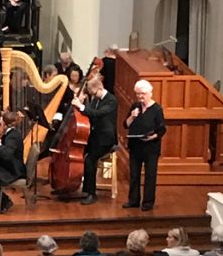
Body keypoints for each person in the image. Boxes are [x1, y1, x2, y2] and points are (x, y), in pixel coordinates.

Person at [70, 74, 117, 204]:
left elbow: (98, 113)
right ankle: (73, 185)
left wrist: (81, 106)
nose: (93, 95)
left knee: (90, 160)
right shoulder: (96, 99)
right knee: (77, 153)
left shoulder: (111, 100)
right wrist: (80, 103)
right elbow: (89, 113)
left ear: (99, 88)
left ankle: (91, 193)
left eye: (93, 93)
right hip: (94, 137)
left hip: (106, 140)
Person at [123, 79, 166, 211]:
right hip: (135, 146)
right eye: (138, 94)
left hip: (151, 147)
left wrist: (152, 137)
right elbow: (125, 125)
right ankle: (133, 200)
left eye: (142, 94)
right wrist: (132, 117)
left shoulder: (157, 109)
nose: (140, 96)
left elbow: (162, 129)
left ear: (149, 93)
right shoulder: (135, 106)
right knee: (134, 174)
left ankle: (148, 202)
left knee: (150, 175)